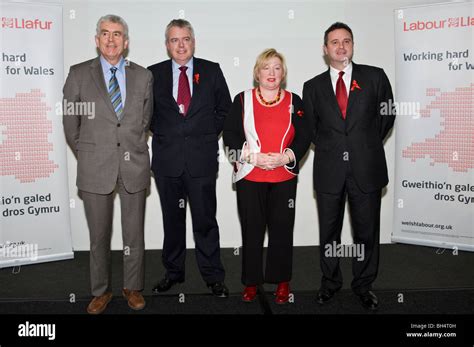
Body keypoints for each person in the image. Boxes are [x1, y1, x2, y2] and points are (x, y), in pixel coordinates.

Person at [63, 14, 153, 314]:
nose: (111, 39)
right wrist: (90, 154)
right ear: (96, 39)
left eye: (117, 34)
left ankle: (132, 287)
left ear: (126, 42)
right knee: (98, 236)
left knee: (134, 235)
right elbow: (70, 124)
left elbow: (144, 120)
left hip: (133, 166)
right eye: (105, 33)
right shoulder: (78, 74)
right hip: (94, 168)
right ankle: (101, 291)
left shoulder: (143, 76)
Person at [303, 22, 396, 310]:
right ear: (325, 49)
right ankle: (330, 283)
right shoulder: (312, 86)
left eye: (346, 41)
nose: (340, 46)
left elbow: (387, 115)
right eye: (334, 42)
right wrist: (337, 147)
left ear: (353, 46)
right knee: (329, 232)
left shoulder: (375, 77)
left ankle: (363, 285)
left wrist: (363, 144)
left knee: (366, 232)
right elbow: (310, 128)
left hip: (366, 168)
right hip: (329, 169)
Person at [148, 19, 232, 297]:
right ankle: (173, 272)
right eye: (174, 40)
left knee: (206, 221)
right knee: (172, 220)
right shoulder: (153, 74)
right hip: (167, 162)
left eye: (185, 39)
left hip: (201, 161)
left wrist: (207, 134)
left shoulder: (212, 70)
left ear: (193, 42)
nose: (180, 45)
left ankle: (213, 276)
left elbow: (226, 111)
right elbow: (146, 116)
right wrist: (166, 133)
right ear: (167, 45)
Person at [223, 49, 311, 304]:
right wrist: (250, 157)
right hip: (250, 177)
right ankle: (252, 282)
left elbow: (305, 135)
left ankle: (282, 282)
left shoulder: (296, 100)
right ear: (256, 73)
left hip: (283, 178)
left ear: (283, 74)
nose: (271, 73)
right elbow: (229, 135)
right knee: (252, 231)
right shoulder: (242, 100)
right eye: (266, 68)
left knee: (282, 231)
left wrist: (287, 157)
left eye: (277, 68)